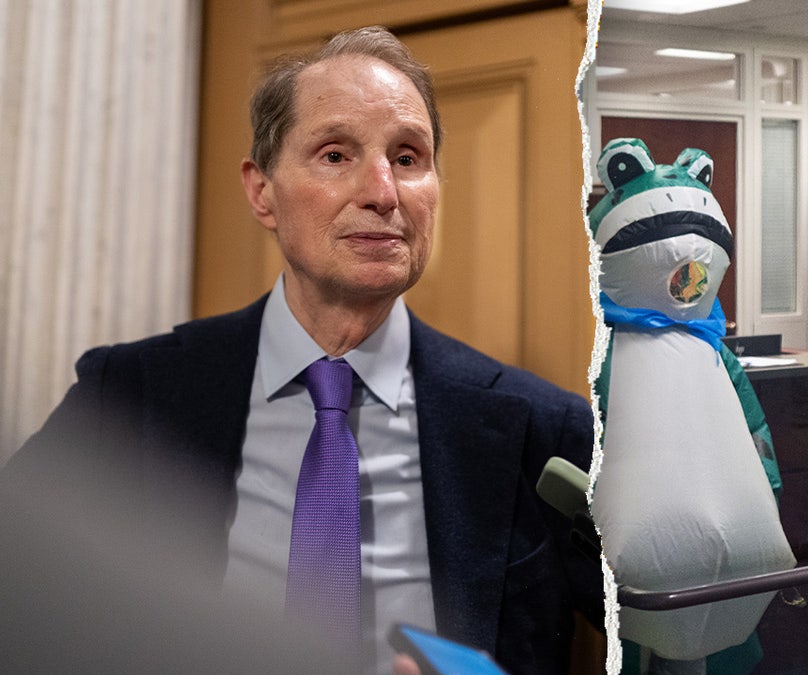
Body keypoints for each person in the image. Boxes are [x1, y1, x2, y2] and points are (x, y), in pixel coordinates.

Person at [0, 25, 603, 675]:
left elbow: (670, 646)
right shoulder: (127, 396)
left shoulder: (543, 429)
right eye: (336, 155)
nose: (382, 192)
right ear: (262, 191)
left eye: (407, 158)